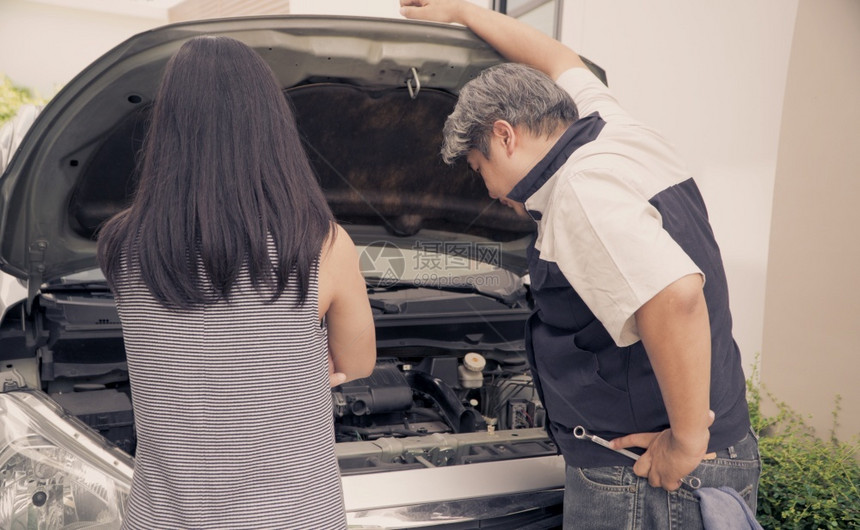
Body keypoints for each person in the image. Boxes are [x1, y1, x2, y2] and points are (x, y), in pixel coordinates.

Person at [400, 1, 760, 528]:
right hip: (699, 454)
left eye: (478, 168)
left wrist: (685, 441)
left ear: (504, 135)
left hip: (650, 478)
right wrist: (462, 12)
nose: (486, 188)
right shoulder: (610, 124)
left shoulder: (580, 191)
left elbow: (676, 296)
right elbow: (558, 55)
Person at [97, 36, 376, 529]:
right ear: (270, 127)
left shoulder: (121, 247)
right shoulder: (323, 244)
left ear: (169, 128)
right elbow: (356, 363)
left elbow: (186, 345)